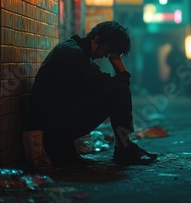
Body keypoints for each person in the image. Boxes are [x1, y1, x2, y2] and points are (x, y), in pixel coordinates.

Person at [22, 21, 157, 168]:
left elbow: (106, 83)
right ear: (97, 39)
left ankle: (124, 147)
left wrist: (118, 68)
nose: (105, 56)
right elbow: (115, 85)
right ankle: (124, 149)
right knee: (119, 91)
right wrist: (118, 65)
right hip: (51, 131)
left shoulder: (76, 51)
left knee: (118, 90)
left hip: (54, 126)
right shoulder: (73, 54)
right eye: (107, 51)